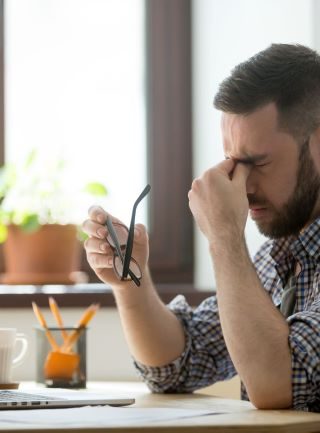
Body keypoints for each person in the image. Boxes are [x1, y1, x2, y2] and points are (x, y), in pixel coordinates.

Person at [82, 43, 320, 412]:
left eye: (258, 162)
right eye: (233, 164)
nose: (241, 185)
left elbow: (279, 384)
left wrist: (225, 236)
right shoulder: (281, 256)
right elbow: (177, 364)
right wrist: (131, 282)